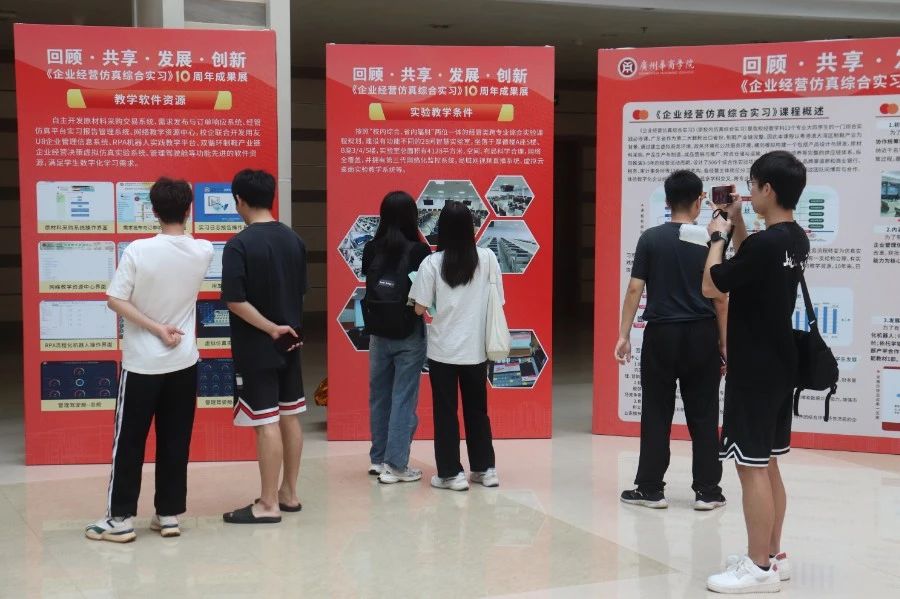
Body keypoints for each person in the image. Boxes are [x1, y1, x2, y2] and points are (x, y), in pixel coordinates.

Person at [702, 151, 810, 594]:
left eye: (752, 184)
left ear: (768, 188)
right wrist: (740, 223)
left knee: (750, 467)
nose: (748, 191)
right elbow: (752, 260)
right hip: (780, 363)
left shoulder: (768, 245)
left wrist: (717, 236)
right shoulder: (793, 238)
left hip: (753, 367)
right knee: (767, 462)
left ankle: (758, 567)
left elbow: (712, 284)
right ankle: (774, 556)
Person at [86, 178, 213, 543]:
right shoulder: (203, 250)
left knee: (129, 441)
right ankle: (168, 515)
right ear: (188, 209)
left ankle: (120, 518)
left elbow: (115, 299)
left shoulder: (139, 251)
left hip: (142, 363)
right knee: (176, 439)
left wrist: (156, 328)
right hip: (184, 360)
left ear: (153, 211)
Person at [616, 170, 729, 511]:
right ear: (699, 201)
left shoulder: (650, 239)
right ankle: (708, 491)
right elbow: (720, 298)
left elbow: (635, 289)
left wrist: (623, 335)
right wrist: (724, 343)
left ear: (667, 201)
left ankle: (651, 489)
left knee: (655, 411)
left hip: (661, 335)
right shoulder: (711, 241)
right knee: (704, 413)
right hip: (702, 334)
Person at [221, 169, 308, 524]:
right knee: (289, 415)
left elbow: (235, 300)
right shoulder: (294, 240)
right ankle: (289, 493)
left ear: (239, 200)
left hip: (258, 346)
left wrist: (270, 328)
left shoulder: (238, 245)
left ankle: (268, 504)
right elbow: (300, 291)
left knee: (266, 421)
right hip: (291, 342)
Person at [409, 200, 504, 491]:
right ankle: (485, 469)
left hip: (443, 352)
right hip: (476, 350)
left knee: (446, 413)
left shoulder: (431, 263)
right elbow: (499, 300)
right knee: (478, 410)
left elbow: (419, 307)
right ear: (471, 228)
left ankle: (451, 474)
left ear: (443, 230)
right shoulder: (488, 258)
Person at [362, 191, 431, 484]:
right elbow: (425, 291)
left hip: (378, 332)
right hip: (408, 331)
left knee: (379, 396)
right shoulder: (419, 251)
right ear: (412, 217)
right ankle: (396, 465)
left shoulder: (370, 248)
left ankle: (378, 459)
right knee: (403, 397)